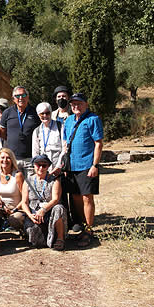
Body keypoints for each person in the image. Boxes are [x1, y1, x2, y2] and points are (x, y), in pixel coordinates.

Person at [62, 93, 103, 246]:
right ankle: (82, 226)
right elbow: (65, 142)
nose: (76, 106)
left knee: (87, 198)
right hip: (71, 166)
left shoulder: (93, 119)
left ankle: (89, 230)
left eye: (79, 103)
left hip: (87, 165)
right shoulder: (68, 120)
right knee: (75, 198)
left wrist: (95, 165)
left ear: (86, 104)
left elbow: (98, 143)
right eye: (73, 104)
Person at [21, 154, 68, 250]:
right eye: (38, 165)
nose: (41, 168)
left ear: (48, 167)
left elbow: (55, 199)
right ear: (34, 165)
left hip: (50, 212)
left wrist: (43, 210)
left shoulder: (54, 180)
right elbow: (24, 202)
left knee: (59, 208)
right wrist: (30, 215)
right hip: (34, 214)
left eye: (44, 165)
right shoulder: (28, 181)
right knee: (38, 242)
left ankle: (60, 238)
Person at [0, 87, 39, 173]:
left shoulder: (35, 112)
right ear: (13, 99)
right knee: (14, 181)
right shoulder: (7, 113)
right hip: (12, 159)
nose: (21, 98)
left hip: (30, 158)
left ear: (27, 97)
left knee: (30, 182)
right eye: (17, 96)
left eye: (23, 95)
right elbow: (2, 132)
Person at [0, 148, 26, 233]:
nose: (5, 160)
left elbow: (25, 198)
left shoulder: (18, 175)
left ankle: (19, 228)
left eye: (8, 158)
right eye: (2, 157)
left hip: (17, 209)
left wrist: (14, 210)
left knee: (14, 219)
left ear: (12, 160)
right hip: (3, 209)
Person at [33, 102, 64, 176]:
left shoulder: (60, 127)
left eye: (47, 113)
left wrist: (58, 166)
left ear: (51, 113)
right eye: (42, 114)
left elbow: (65, 148)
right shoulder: (36, 131)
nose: (45, 116)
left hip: (59, 169)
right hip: (43, 169)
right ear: (38, 115)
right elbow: (35, 153)